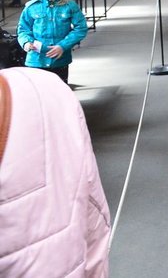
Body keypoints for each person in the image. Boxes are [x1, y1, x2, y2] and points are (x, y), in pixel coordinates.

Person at [0, 66, 111, 277]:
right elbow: (94, 222)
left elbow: (92, 214)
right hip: (36, 61)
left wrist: (61, 46)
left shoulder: (46, 93)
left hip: (55, 62)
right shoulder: (45, 91)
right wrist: (27, 44)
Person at [16, 0, 88, 84]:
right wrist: (26, 42)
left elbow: (81, 28)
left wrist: (63, 46)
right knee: (39, 94)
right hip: (36, 60)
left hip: (60, 61)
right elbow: (23, 29)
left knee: (59, 93)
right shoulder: (31, 7)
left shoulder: (70, 6)